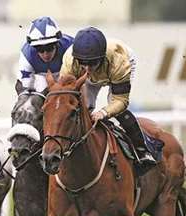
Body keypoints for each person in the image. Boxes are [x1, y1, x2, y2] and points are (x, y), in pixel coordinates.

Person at [60, 26, 157, 169]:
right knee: (85, 108)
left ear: (101, 58)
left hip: (119, 67)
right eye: (83, 63)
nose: (87, 69)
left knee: (116, 109)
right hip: (95, 73)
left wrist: (104, 113)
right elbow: (66, 96)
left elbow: (121, 101)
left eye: (92, 63)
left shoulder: (119, 62)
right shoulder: (70, 61)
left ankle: (141, 149)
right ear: (77, 59)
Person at [16, 16, 73, 92]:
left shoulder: (70, 48)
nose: (45, 54)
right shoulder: (27, 54)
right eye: (40, 49)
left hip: (67, 74)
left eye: (49, 48)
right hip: (41, 76)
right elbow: (25, 87)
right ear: (33, 47)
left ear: (56, 43)